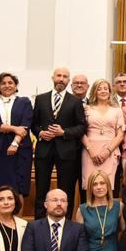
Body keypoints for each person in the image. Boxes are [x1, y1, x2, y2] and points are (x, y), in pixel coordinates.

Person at [31, 67, 87, 219]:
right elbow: (34, 124)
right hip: (44, 150)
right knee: (41, 189)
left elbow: (82, 126)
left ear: (69, 81)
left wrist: (64, 133)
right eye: (59, 76)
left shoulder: (75, 102)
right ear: (53, 78)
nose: (61, 79)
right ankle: (40, 224)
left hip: (67, 152)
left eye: (65, 76)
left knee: (66, 191)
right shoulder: (41, 99)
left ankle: (66, 225)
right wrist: (40, 133)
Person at [0, 73, 33, 200]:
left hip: (19, 149)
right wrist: (13, 128)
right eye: (3, 83)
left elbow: (25, 124)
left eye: (10, 83)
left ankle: (17, 220)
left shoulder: (24, 102)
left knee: (18, 188)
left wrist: (15, 143)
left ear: (16, 85)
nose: (7, 85)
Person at [81, 79, 125, 195]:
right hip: (90, 151)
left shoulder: (117, 111)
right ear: (94, 91)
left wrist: (107, 151)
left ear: (110, 92)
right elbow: (81, 132)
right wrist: (91, 150)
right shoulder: (87, 109)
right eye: (99, 89)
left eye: (106, 88)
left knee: (108, 187)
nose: (103, 91)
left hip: (110, 150)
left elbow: (120, 135)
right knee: (91, 187)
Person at [75, 170, 120, 251]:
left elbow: (123, 231)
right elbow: (79, 240)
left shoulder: (118, 206)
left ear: (108, 185)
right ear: (90, 188)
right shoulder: (82, 210)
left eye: (102, 183)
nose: (99, 187)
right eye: (95, 184)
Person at [71, 74, 90, 203]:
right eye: (76, 83)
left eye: (82, 83)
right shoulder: (63, 103)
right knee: (68, 189)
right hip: (69, 152)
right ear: (71, 86)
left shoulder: (94, 103)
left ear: (88, 86)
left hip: (91, 152)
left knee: (87, 189)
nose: (79, 85)